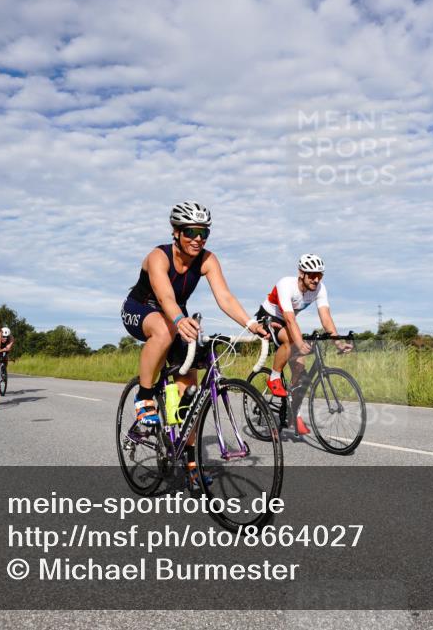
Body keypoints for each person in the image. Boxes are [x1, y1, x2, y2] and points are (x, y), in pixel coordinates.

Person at [120, 201, 267, 485]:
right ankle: (144, 396)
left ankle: (190, 462)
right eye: (190, 232)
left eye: (204, 233)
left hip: (175, 314)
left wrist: (251, 324)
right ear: (176, 232)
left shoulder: (208, 260)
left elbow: (225, 297)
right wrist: (178, 320)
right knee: (164, 331)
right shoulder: (158, 257)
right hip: (141, 308)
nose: (198, 238)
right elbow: (164, 297)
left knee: (190, 391)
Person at [254, 254, 352, 435]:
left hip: (288, 321)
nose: (316, 279)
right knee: (292, 341)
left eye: (320, 275)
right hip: (269, 317)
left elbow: (326, 318)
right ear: (301, 273)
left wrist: (338, 342)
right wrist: (299, 343)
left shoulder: (319, 289)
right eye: (312, 275)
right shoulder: (286, 284)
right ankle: (274, 377)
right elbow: (290, 320)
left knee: (299, 368)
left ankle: (293, 412)